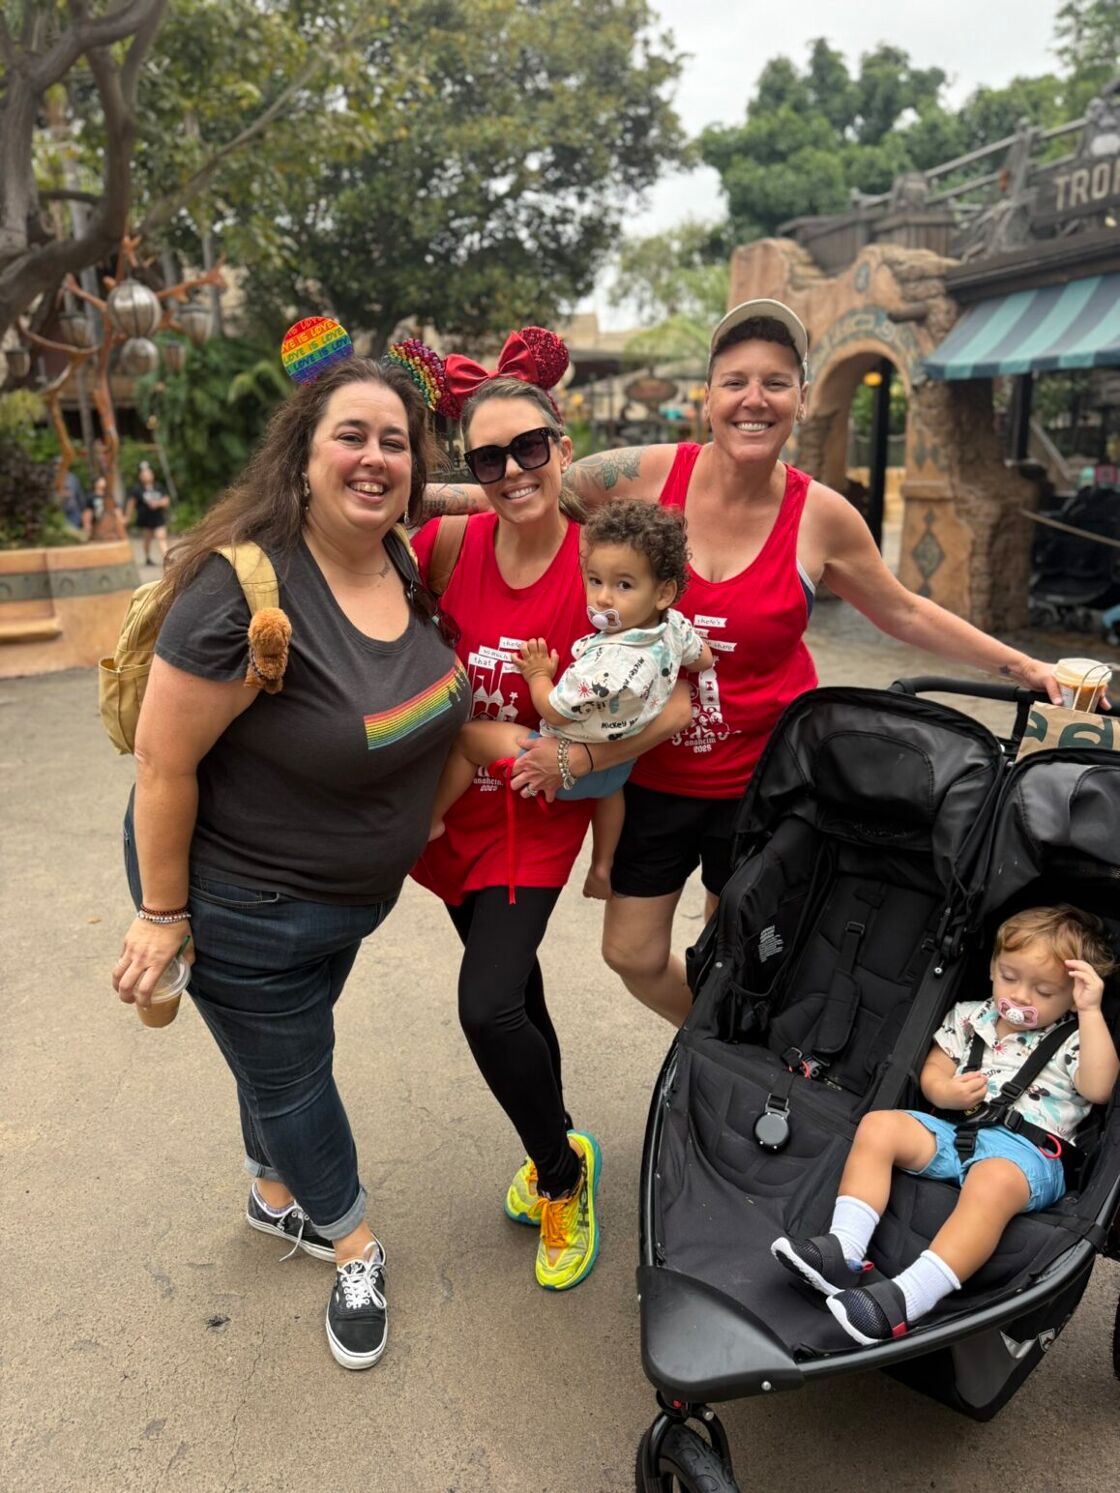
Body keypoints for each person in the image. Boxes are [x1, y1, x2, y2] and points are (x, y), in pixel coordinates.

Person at [457, 299, 1066, 1027]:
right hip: (651, 777)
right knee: (631, 952)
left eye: (776, 382)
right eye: (735, 380)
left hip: (764, 785)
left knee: (740, 951)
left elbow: (901, 609)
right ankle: (726, 1041)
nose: (754, 398)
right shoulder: (644, 474)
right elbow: (520, 487)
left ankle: (728, 1070)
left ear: (802, 400)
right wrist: (388, 507)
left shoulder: (822, 516)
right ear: (707, 398)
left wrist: (1019, 666)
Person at [112, 349, 470, 1371]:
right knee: (298, 1079)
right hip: (238, 902)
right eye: (348, 436)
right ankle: (349, 1237)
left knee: (276, 1061)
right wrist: (163, 914)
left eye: (394, 441)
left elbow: (529, 487)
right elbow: (162, 758)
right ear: (301, 455)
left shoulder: (397, 556)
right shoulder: (244, 588)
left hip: (344, 903)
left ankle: (274, 1195)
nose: (373, 457)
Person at [409, 330, 691, 1292]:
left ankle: (564, 1176)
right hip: (453, 815)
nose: (511, 471)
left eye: (529, 447)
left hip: (538, 816)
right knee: (515, 994)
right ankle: (558, 1137)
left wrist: (576, 753)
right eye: (487, 458)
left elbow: (679, 696)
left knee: (485, 1005)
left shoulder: (601, 566)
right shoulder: (448, 543)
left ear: (561, 446)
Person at [771, 905, 1118, 1343]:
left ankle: (909, 1297)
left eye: (1045, 991)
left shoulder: (1074, 1038)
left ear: (1071, 995)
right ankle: (845, 1247)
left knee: (991, 1182)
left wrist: (1090, 1012)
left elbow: (1100, 1086)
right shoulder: (972, 1016)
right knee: (879, 1127)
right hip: (957, 1133)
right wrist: (945, 1092)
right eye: (1009, 978)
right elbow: (934, 1072)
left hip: (1026, 1155)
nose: (1022, 997)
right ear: (993, 967)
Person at [429, 500, 712, 898]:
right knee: (611, 793)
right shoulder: (674, 626)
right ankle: (602, 866)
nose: (603, 599)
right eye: (595, 580)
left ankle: (432, 819)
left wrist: (538, 675)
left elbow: (556, 711)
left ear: (663, 591)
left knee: (470, 738)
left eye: (624, 585)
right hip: (620, 765)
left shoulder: (608, 663)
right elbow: (703, 658)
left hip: (565, 765)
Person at [128, 460, 172, 564]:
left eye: (148, 473)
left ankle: (167, 558)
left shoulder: (159, 487)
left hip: (158, 518)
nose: (146, 476)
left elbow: (166, 500)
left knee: (161, 537)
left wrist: (158, 503)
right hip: (146, 520)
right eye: (143, 474)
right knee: (147, 540)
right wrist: (128, 517)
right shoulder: (137, 489)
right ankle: (147, 557)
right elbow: (131, 503)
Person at [82, 475, 128, 543]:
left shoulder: (109, 496)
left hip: (110, 524)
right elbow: (88, 512)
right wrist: (87, 524)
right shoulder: (91, 497)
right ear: (96, 483)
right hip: (96, 523)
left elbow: (116, 509)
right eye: (101, 480)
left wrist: (121, 519)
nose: (103, 481)